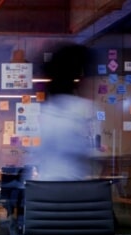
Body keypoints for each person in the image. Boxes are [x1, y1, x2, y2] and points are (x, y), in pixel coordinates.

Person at [36, 43, 97, 180]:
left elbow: (38, 149)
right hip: (72, 188)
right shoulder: (82, 109)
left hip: (46, 187)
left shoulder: (46, 110)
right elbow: (82, 149)